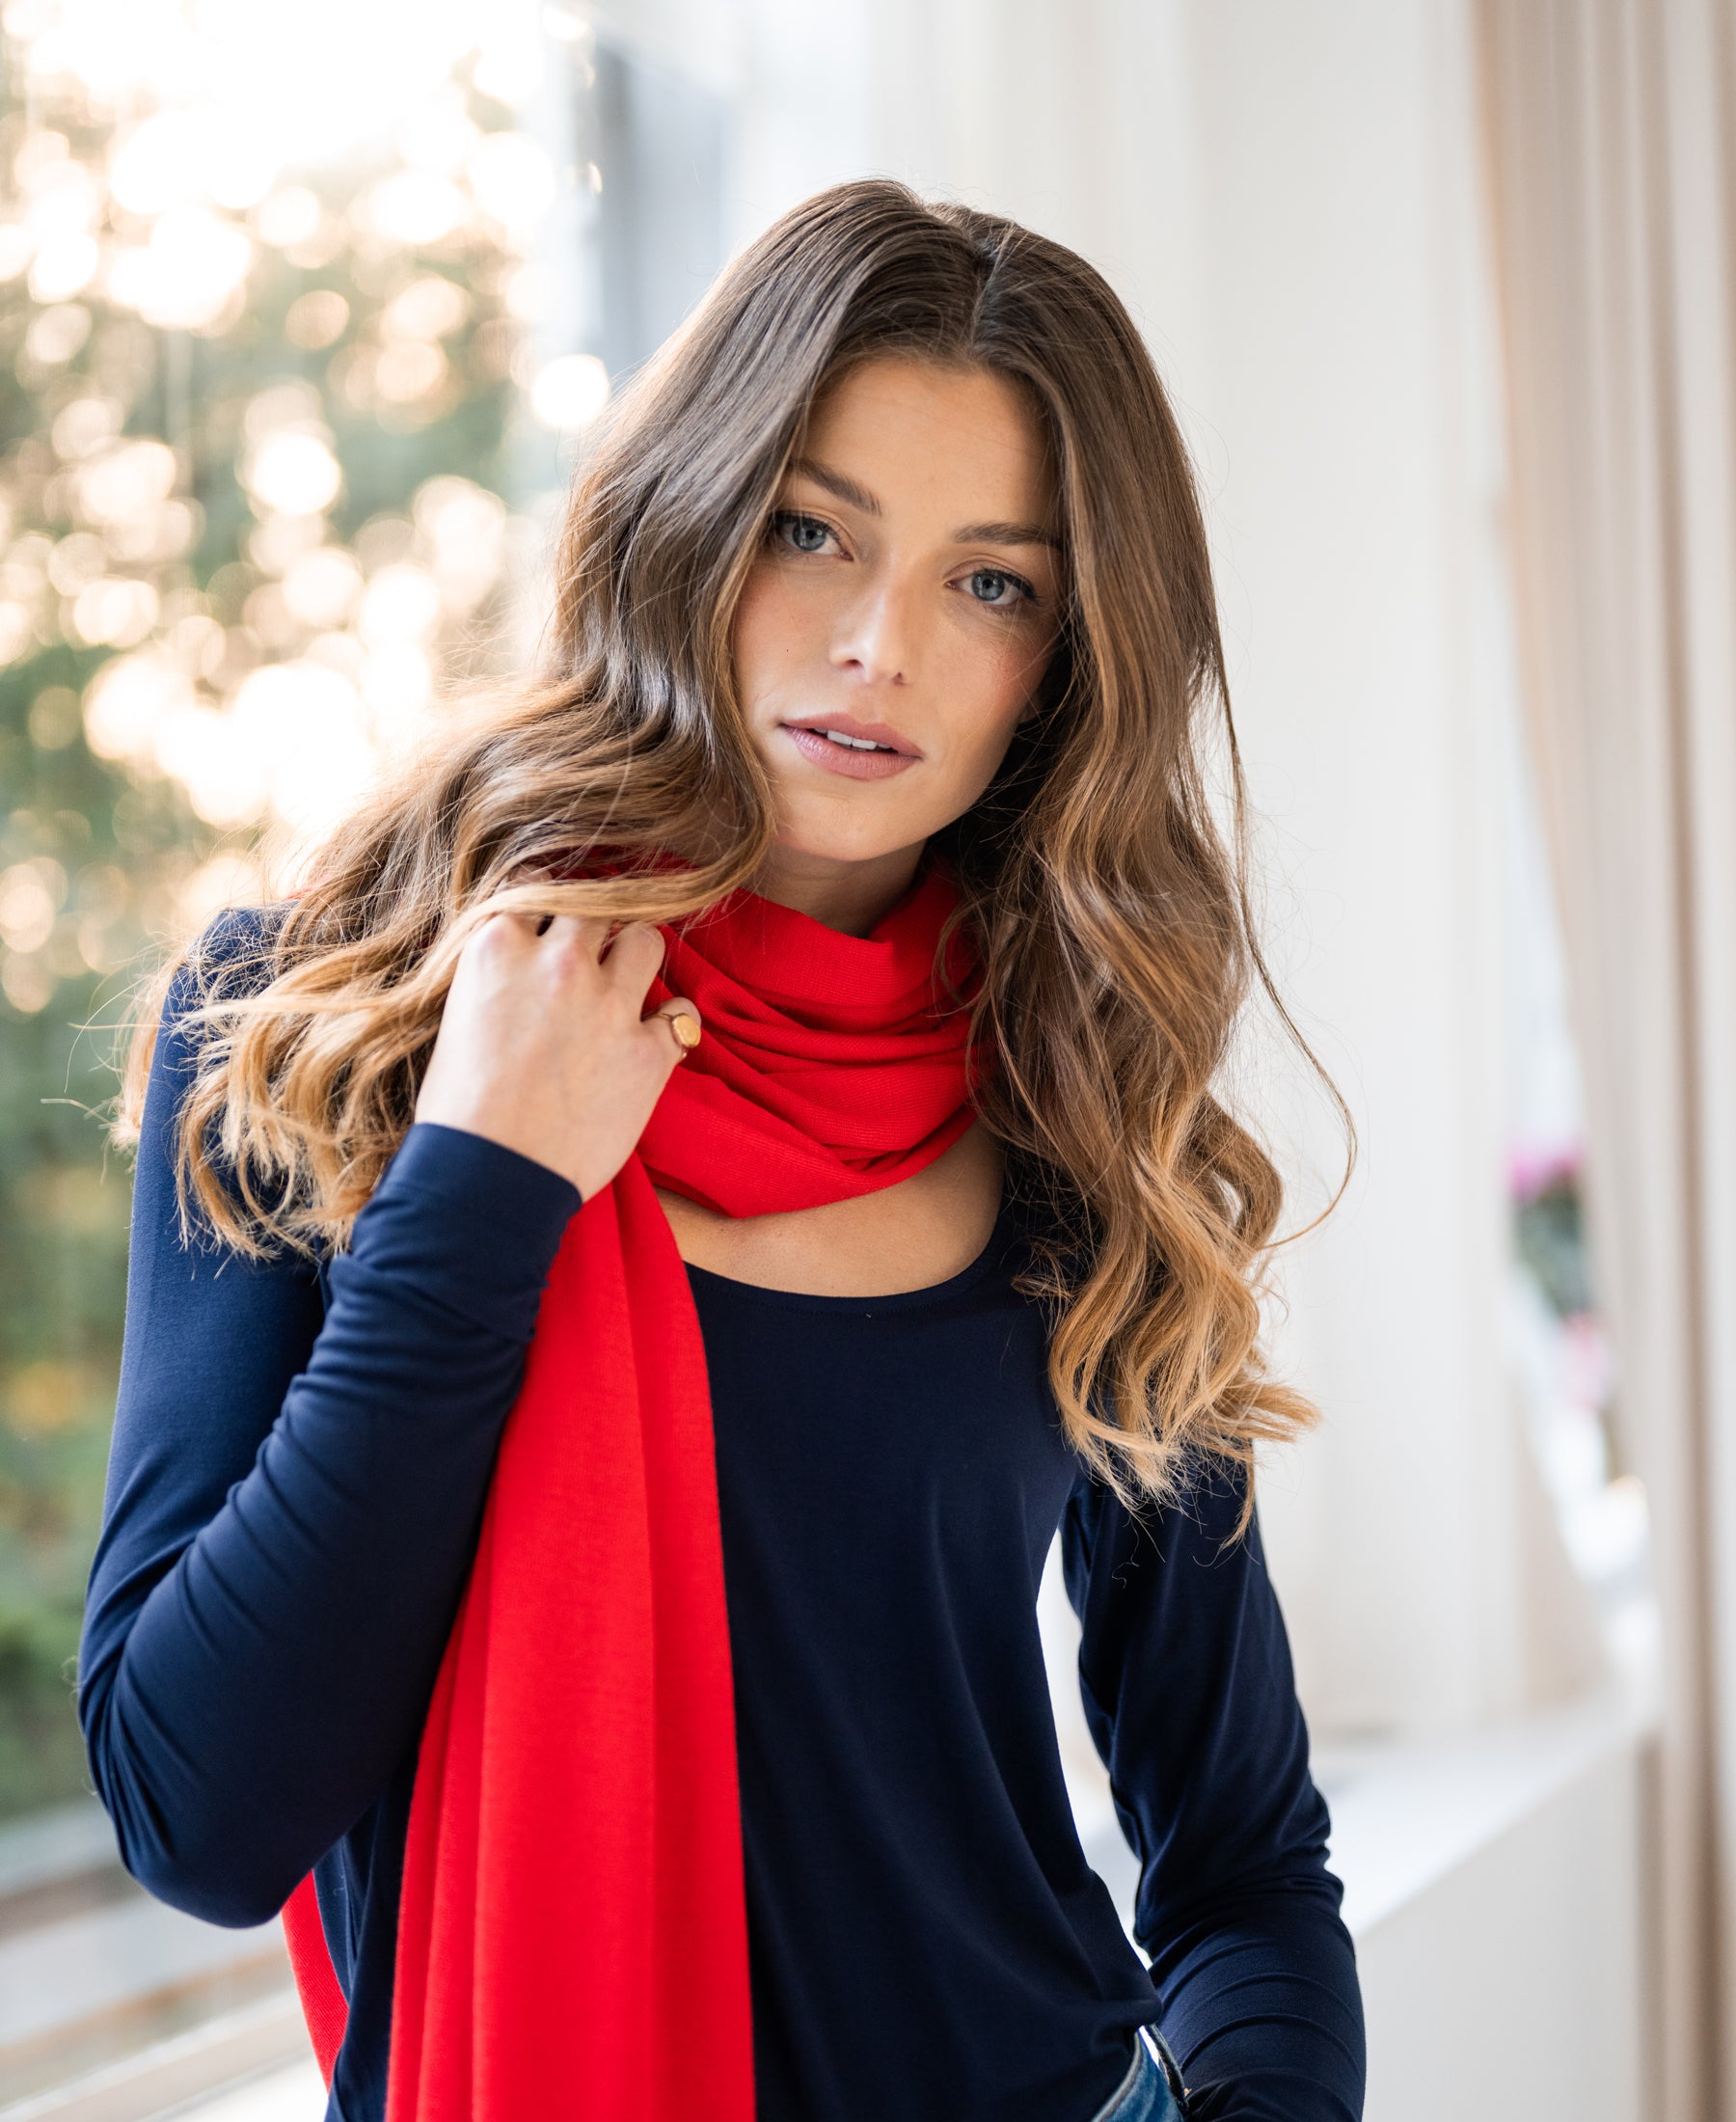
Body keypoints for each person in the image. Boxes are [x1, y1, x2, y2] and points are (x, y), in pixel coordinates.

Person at [78, 180, 1365, 2122]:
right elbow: (197, 1807)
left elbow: (1246, 1862)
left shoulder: (1079, 1097)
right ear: (690, 512)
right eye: (807, 530)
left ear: (1067, 657)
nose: (878, 644)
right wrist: (482, 1185)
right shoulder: (328, 1019)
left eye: (990, 580)